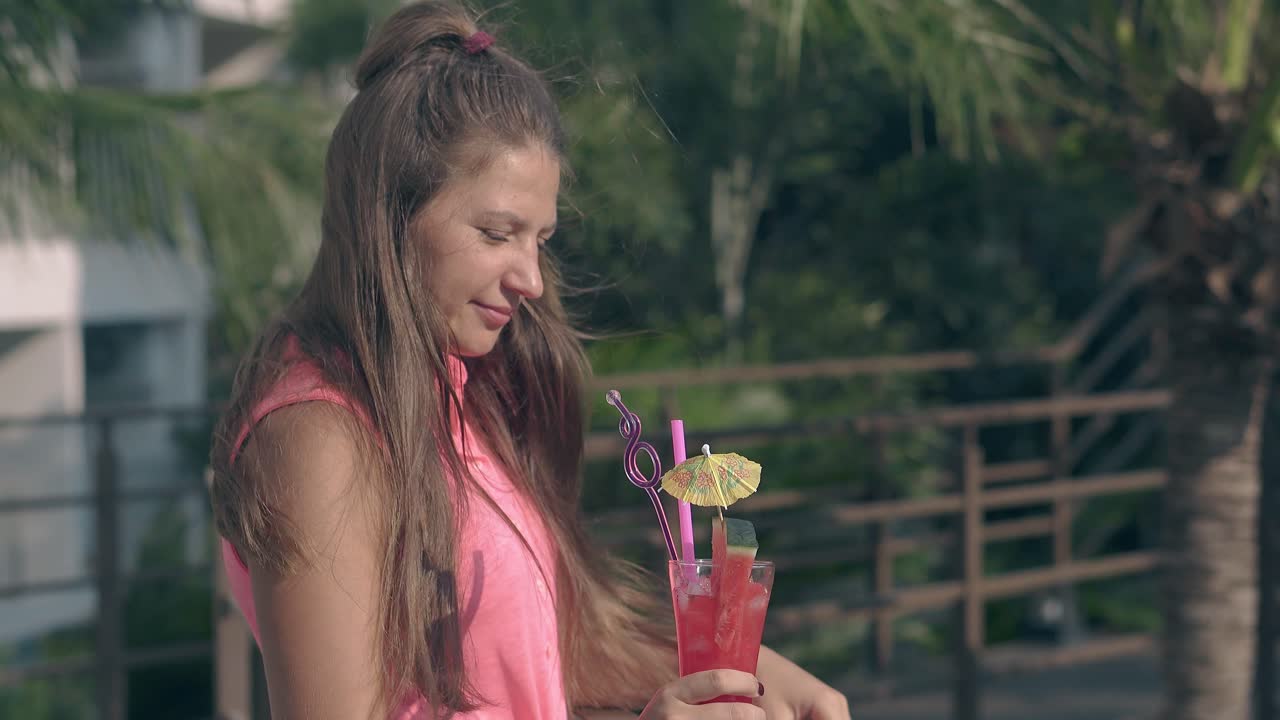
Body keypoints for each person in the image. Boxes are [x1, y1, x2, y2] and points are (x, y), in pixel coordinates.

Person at [209, 2, 851, 718]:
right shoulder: (318, 438)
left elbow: (547, 650)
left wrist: (752, 672)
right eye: (497, 233)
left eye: (539, 239)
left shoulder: (459, 396)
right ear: (387, 215)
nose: (532, 279)